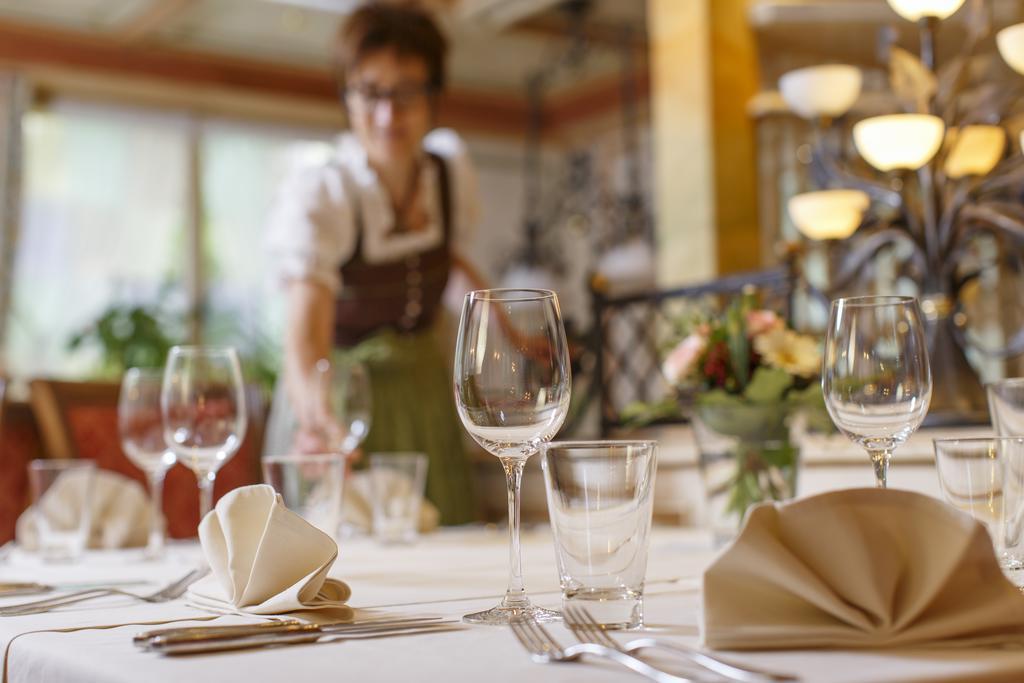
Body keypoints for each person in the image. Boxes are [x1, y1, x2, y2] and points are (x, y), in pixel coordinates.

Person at [265, 3, 478, 525]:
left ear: (433, 95)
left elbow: (447, 262)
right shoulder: (325, 193)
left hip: (425, 400)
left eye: (406, 91)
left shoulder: (450, 178)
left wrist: (513, 332)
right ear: (346, 94)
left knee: (439, 561)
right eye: (370, 91)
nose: (388, 114)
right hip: (343, 404)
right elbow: (307, 330)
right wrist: (320, 419)